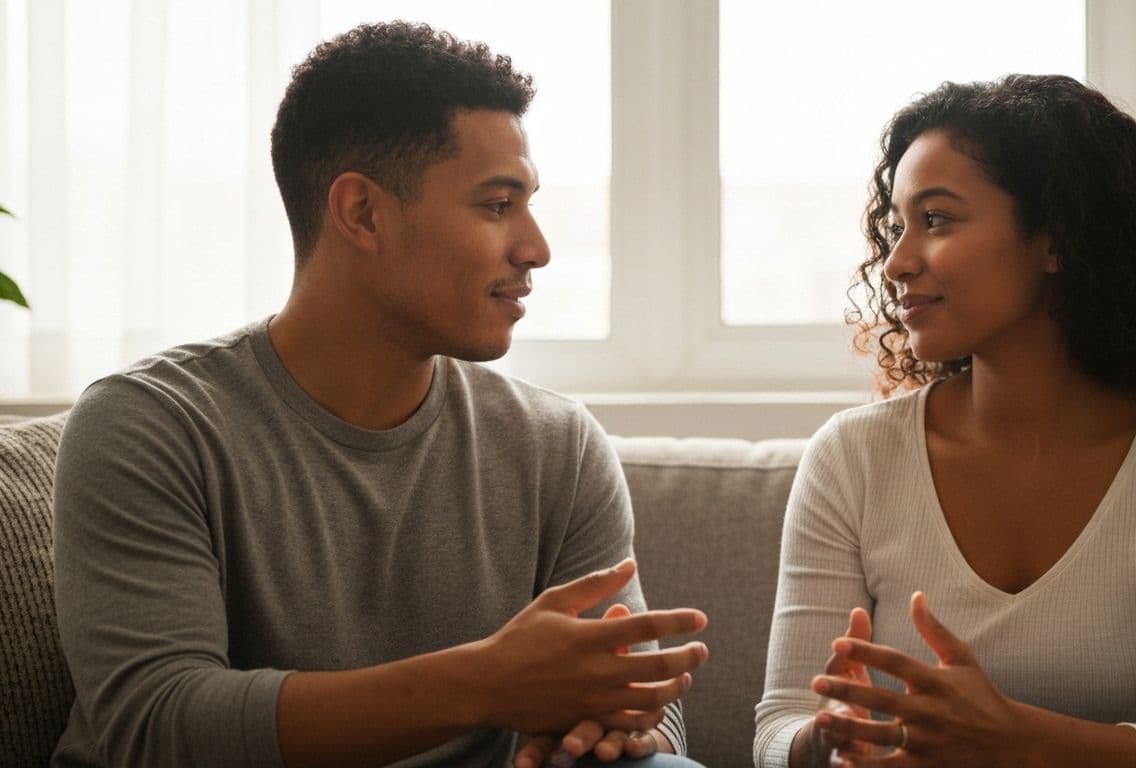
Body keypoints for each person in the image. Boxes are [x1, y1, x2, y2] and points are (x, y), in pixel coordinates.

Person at [51, 22, 708, 768]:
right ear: (361, 213)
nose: (537, 248)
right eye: (498, 205)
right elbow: (158, 726)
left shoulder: (556, 443)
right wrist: (486, 684)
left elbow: (634, 699)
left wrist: (615, 726)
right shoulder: (149, 426)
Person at [754, 75, 1136, 768]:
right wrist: (827, 739)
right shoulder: (851, 457)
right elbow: (778, 725)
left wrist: (1012, 742)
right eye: (896, 227)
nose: (896, 263)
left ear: (1055, 240)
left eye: (938, 220)